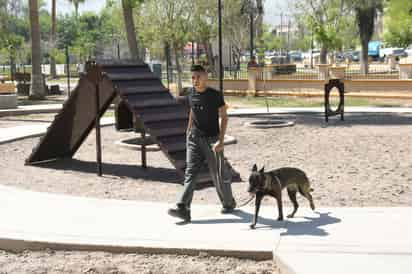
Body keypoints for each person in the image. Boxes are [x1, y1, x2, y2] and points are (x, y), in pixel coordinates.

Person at [168, 64, 236, 223]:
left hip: (212, 140)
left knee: (218, 173)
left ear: (205, 76)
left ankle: (228, 202)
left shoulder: (215, 95)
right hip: (194, 139)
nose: (195, 80)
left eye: (198, 77)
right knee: (190, 172)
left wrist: (220, 141)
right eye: (192, 77)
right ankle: (183, 208)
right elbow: (193, 109)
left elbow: (224, 117)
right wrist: (188, 129)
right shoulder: (190, 93)